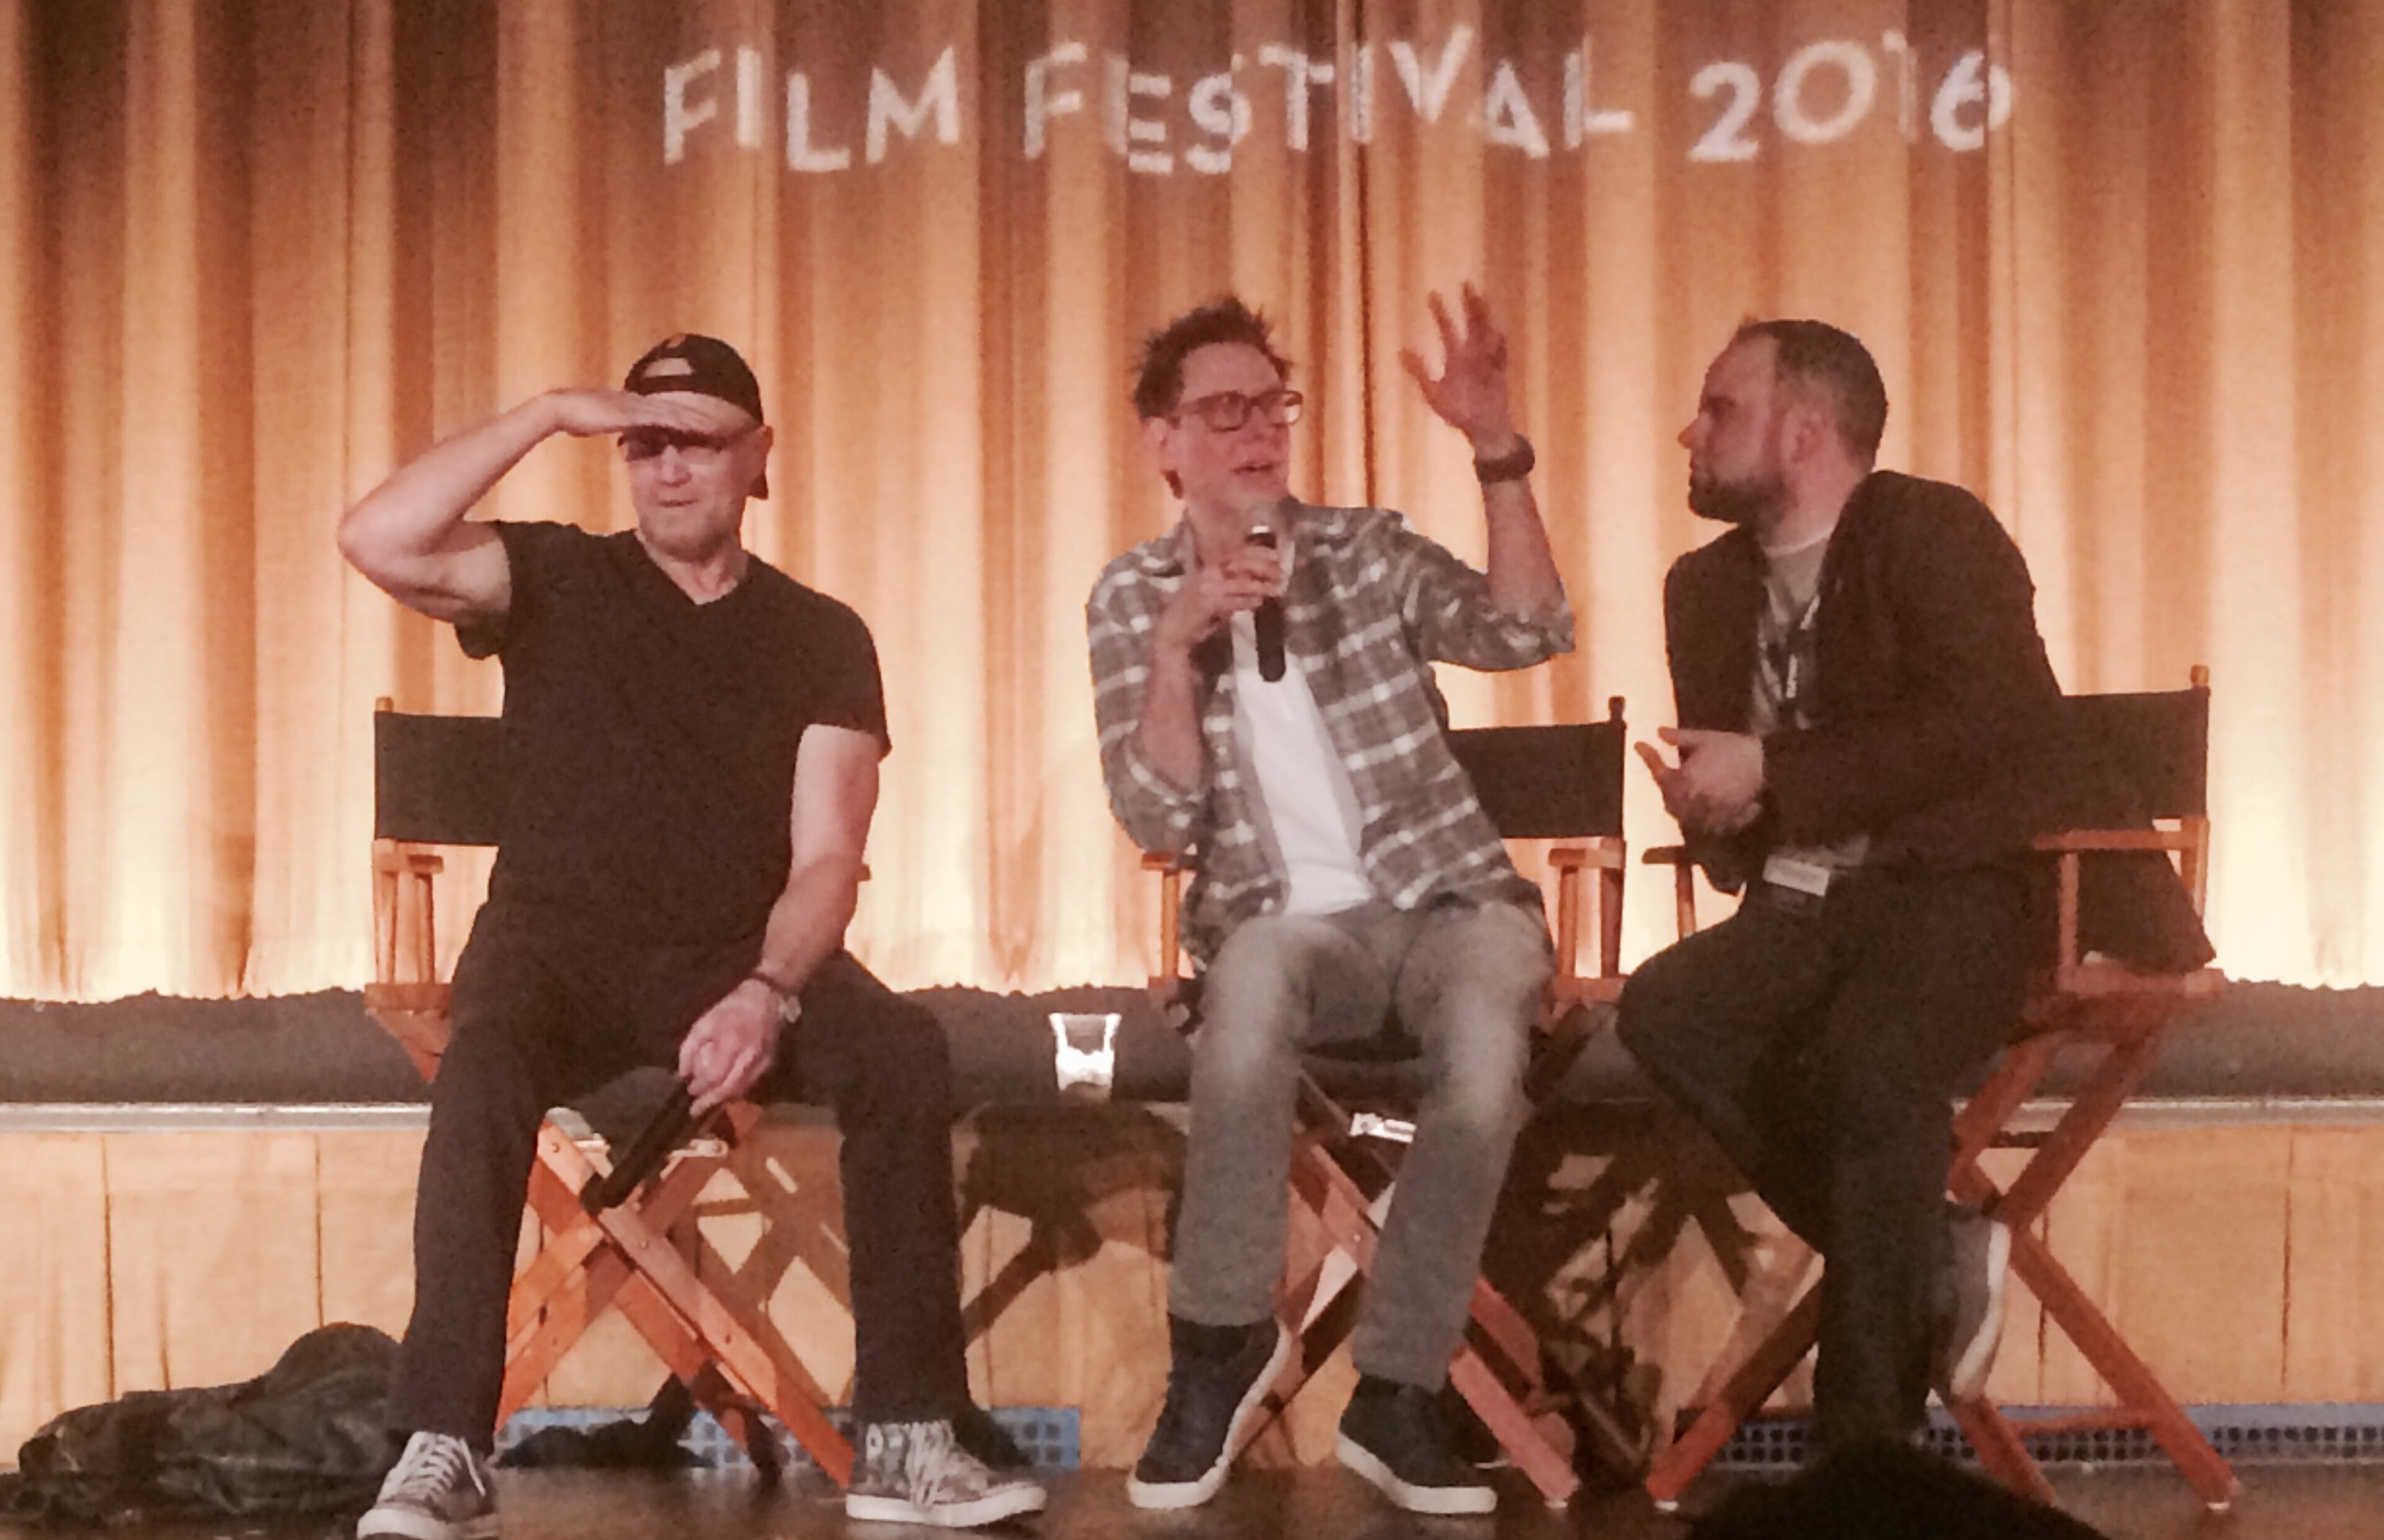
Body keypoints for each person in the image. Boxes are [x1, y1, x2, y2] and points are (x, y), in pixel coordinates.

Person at [336, 334, 1044, 1535]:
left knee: (901, 1051)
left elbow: (828, 857)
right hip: (553, 950)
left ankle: (911, 1437)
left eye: (698, 442)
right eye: (642, 443)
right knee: (485, 1069)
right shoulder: (556, 576)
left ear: (757, 459)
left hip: (731, 957)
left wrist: (768, 988)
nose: (666, 469)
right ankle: (444, 1442)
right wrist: (552, 411)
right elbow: (377, 537)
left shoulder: (821, 635)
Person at [1086, 291, 1571, 1515]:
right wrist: (1170, 654)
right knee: (1246, 978)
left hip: (1446, 902)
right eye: (1224, 409)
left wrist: (1497, 448)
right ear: (1166, 439)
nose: (1257, 432)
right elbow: (1154, 817)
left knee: (1482, 1043)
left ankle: (1397, 1389)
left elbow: (1528, 627)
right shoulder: (1131, 595)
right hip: (1287, 931)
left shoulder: (1364, 548)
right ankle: (1219, 1347)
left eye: (1272, 406)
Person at [1618, 318, 2062, 1453]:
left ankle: (1863, 1446)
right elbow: (1750, 809)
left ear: (1804, 429)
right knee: (1668, 1008)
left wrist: (1773, 769)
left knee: (1873, 1067)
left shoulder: (1931, 532)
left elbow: (1991, 721)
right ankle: (1936, 1250)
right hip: (1799, 905)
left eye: (1719, 408)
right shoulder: (1704, 586)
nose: (1690, 429)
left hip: (1951, 891)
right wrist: (1713, 807)